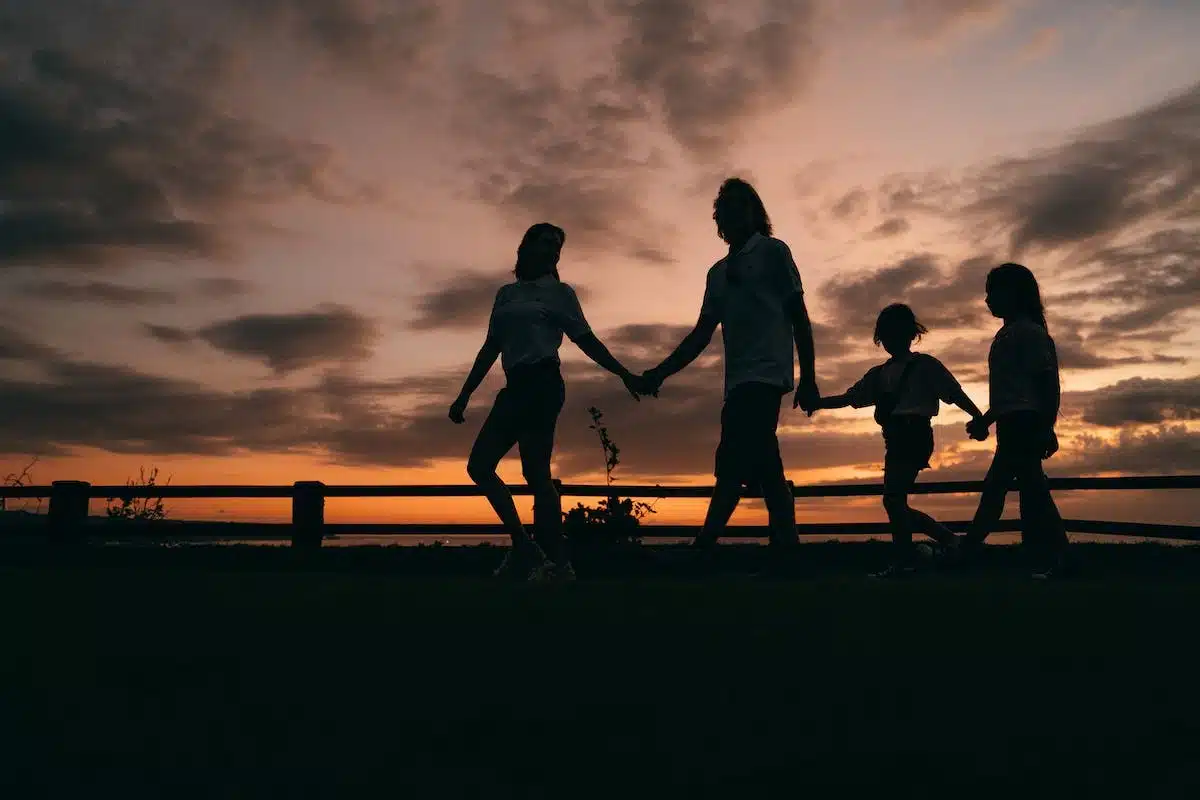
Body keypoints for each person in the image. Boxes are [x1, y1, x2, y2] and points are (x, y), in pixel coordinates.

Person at [449, 223, 645, 581]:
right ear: (526, 247)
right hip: (514, 387)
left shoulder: (559, 293)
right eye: (547, 243)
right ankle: (524, 546)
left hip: (543, 384)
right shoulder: (505, 295)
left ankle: (558, 563)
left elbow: (587, 340)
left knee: (535, 474)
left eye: (558, 247)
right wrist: (464, 394)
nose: (554, 250)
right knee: (479, 466)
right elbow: (491, 347)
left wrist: (624, 373)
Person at [643, 178, 819, 562]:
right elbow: (701, 334)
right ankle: (787, 554)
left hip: (766, 375)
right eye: (725, 207)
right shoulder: (717, 273)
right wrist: (660, 372)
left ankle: (704, 548)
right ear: (718, 220)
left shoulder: (773, 252)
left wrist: (809, 377)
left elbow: (799, 317)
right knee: (756, 464)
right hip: (737, 382)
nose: (733, 212)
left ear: (756, 212)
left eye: (742, 204)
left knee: (738, 461)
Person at [810, 304, 984, 578]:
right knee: (895, 501)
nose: (890, 340)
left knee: (893, 500)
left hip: (914, 435)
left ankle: (928, 550)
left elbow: (954, 393)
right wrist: (818, 403)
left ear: (908, 335)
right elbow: (849, 398)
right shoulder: (878, 374)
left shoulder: (925, 365)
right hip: (895, 437)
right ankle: (936, 547)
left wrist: (979, 417)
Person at [960, 262, 1071, 579]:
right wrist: (987, 420)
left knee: (1006, 491)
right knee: (1028, 491)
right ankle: (1059, 557)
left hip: (1024, 424)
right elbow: (1010, 394)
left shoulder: (1028, 334)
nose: (987, 300)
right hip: (1014, 424)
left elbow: (1046, 385)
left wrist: (1046, 426)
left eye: (993, 292)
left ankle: (966, 552)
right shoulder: (1007, 335)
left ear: (1015, 294)